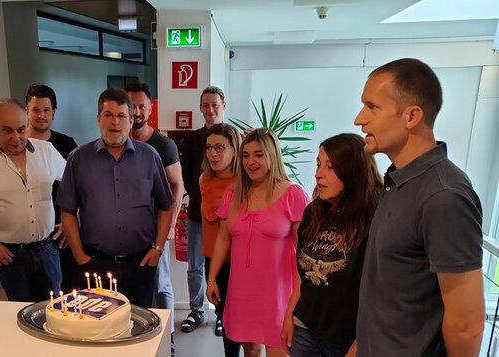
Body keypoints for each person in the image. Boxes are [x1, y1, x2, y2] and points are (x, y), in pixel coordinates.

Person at [354, 58, 485, 356]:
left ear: (411, 116)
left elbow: (468, 324)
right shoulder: (399, 181)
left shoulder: (444, 195)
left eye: (372, 107)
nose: (359, 119)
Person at [56, 88, 175, 308]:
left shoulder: (149, 156)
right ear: (98, 119)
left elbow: (167, 205)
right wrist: (79, 255)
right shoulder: (78, 159)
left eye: (121, 116)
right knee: (99, 328)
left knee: (138, 328)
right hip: (95, 264)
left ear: (131, 121)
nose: (115, 122)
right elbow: (68, 210)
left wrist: (158, 249)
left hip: (140, 264)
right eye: (108, 115)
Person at [207, 128, 310, 357]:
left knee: (278, 352)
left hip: (278, 295)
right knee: (250, 351)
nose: (250, 162)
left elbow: (305, 254)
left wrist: (300, 296)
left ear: (272, 155)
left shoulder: (293, 194)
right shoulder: (233, 194)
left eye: (259, 154)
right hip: (242, 290)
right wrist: (212, 278)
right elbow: (223, 238)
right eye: (245, 155)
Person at [280, 133, 382, 357]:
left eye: (330, 167)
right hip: (305, 327)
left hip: (347, 339)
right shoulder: (314, 211)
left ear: (353, 170)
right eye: (318, 165)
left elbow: (380, 292)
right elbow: (302, 272)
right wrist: (290, 314)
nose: (318, 174)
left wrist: (359, 345)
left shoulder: (375, 218)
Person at [0, 98, 66, 302]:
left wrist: (73, 220)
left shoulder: (47, 151)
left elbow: (78, 185)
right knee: (18, 315)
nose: (16, 137)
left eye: (21, 129)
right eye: (7, 130)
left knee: (55, 312)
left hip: (48, 250)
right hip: (9, 255)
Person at [126, 82, 184, 335]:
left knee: (161, 285)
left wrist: (169, 227)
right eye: (132, 106)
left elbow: (177, 186)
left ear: (151, 109)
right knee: (129, 286)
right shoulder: (116, 142)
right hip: (127, 232)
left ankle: (168, 338)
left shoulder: (164, 145)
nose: (136, 111)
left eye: (142, 106)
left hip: (156, 230)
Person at [180, 85, 226, 333]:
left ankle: (221, 313)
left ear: (223, 106)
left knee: (222, 266)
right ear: (200, 107)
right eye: (206, 105)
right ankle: (197, 311)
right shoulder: (192, 140)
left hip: (226, 218)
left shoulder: (234, 138)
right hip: (197, 215)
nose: (210, 110)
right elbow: (186, 177)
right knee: (195, 266)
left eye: (215, 105)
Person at [25, 83, 78, 292]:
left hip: (62, 233)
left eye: (46, 110)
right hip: (30, 239)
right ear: (26, 111)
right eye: (35, 110)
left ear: (53, 113)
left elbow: (80, 189)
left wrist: (70, 223)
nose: (41, 115)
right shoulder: (17, 145)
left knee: (67, 293)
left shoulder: (67, 145)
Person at [199, 123, 242, 356]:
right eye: (209, 148)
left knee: (240, 320)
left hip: (239, 261)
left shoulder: (245, 183)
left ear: (235, 149)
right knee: (223, 315)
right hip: (212, 261)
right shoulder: (204, 179)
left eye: (220, 147)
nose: (213, 153)